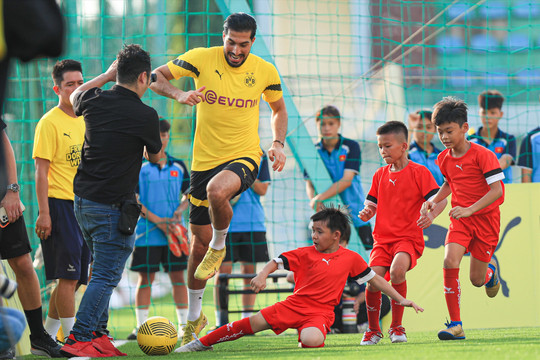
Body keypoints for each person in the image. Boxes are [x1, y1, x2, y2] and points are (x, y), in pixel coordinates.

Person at [150, 12, 287, 346]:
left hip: (245, 156)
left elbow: (279, 109)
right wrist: (178, 94)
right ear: (223, 37)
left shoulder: (265, 70)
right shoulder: (200, 58)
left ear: (252, 42)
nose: (236, 50)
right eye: (231, 43)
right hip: (202, 162)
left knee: (217, 192)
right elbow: (155, 77)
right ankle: (194, 320)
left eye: (243, 44)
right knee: (196, 252)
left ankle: (220, 243)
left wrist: (278, 144)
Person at [176, 205, 423, 352]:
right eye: (311, 231)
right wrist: (262, 275)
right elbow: (276, 262)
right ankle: (200, 343)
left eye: (319, 231)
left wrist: (402, 299)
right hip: (292, 306)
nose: (313, 236)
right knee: (245, 326)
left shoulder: (351, 258)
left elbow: (376, 281)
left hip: (320, 314)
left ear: (336, 235)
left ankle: (304, 333)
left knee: (312, 340)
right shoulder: (305, 253)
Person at [60, 44, 162, 358]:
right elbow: (156, 157)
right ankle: (79, 339)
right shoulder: (146, 115)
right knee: (106, 274)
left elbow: (76, 97)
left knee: (99, 270)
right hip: (111, 208)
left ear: (117, 73)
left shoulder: (95, 99)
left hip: (82, 203)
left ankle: (99, 335)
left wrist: (105, 75)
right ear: (144, 77)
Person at [421, 96, 504, 341]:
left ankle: (490, 273)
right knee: (449, 261)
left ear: (465, 128)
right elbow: (449, 183)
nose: (444, 137)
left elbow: (498, 192)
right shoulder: (443, 158)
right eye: (440, 132)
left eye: (449, 131)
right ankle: (455, 325)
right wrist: (434, 200)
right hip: (460, 221)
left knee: (477, 281)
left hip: (486, 223)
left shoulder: (484, 155)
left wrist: (470, 209)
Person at [358, 121, 446, 345]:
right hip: (382, 241)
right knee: (372, 280)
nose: (383, 151)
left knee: (398, 271)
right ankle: (373, 329)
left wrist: (431, 215)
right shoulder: (379, 175)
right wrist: (367, 213)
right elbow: (371, 205)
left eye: (387, 146)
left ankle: (397, 327)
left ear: (404, 146)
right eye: (380, 147)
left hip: (408, 238)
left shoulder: (419, 172)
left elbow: (440, 199)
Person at [32, 59, 92, 341]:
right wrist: (44, 213)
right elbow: (41, 172)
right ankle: (73, 342)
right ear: (57, 88)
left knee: (80, 277)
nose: (77, 88)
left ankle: (47, 335)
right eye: (70, 84)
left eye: (81, 82)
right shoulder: (48, 123)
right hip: (59, 205)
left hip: (84, 207)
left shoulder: (86, 118)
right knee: (67, 277)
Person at [0, 124, 63, 358]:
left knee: (24, 265)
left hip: (2, 199)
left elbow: (3, 142)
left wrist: (12, 190)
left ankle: (38, 336)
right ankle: (2, 342)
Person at [128, 118, 190, 340]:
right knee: (145, 279)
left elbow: (189, 194)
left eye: (165, 135)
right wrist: (158, 221)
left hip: (174, 234)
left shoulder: (179, 165)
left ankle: (184, 325)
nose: (162, 139)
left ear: (168, 137)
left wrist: (180, 210)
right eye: (158, 135)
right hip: (147, 234)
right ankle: (140, 326)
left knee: (178, 278)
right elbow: (133, 199)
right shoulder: (139, 166)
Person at [213, 151, 271, 327]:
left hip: (253, 224)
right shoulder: (221, 151)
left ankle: (246, 319)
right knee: (222, 274)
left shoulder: (260, 154)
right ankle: (221, 320)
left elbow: (262, 189)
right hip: (225, 224)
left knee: (250, 274)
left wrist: (244, 174)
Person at [305, 106, 373, 249]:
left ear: (338, 124)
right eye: (322, 124)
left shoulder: (351, 146)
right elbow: (309, 183)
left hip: (357, 213)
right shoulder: (312, 151)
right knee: (333, 258)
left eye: (331, 124)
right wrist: (314, 201)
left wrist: (320, 197)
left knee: (365, 260)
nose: (326, 128)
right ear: (317, 125)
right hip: (329, 218)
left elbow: (346, 181)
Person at [468, 90, 516, 184]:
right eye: (484, 112)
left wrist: (480, 173)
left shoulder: (509, 139)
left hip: (505, 190)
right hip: (478, 191)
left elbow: (505, 161)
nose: (488, 117)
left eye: (492, 113)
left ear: (500, 114)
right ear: (479, 113)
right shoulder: (469, 141)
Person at [408, 110, 444, 186]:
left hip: (438, 197)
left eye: (428, 127)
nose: (424, 131)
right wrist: (410, 128)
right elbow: (399, 158)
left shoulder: (441, 155)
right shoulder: (407, 152)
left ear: (435, 130)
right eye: (419, 127)